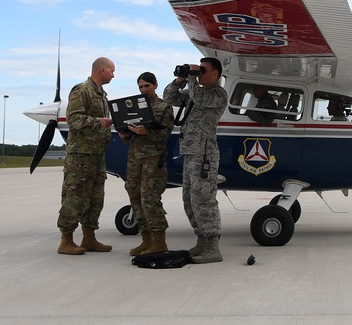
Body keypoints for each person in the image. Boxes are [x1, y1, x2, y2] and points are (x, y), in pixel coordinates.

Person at [163, 57, 227, 263]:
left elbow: (199, 98)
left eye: (203, 70)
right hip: (191, 152)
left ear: (215, 73)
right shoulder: (194, 92)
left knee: (204, 199)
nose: (199, 74)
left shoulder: (218, 94)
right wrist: (180, 79)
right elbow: (169, 98)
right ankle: (201, 241)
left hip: (205, 153)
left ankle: (213, 247)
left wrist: (191, 79)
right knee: (190, 200)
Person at [57, 57, 115, 255]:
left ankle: (89, 238)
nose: (113, 75)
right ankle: (66, 240)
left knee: (95, 198)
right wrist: (99, 122)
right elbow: (73, 119)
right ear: (101, 70)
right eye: (111, 71)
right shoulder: (81, 90)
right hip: (81, 155)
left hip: (97, 155)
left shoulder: (101, 94)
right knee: (76, 196)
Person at [119, 72, 175, 257]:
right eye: (141, 87)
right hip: (135, 159)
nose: (144, 90)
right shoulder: (134, 107)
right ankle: (146, 240)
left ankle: (159, 241)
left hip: (153, 160)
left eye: (147, 86)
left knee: (150, 199)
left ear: (155, 85)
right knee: (135, 197)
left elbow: (165, 135)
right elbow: (131, 135)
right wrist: (126, 134)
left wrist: (146, 133)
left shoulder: (164, 108)